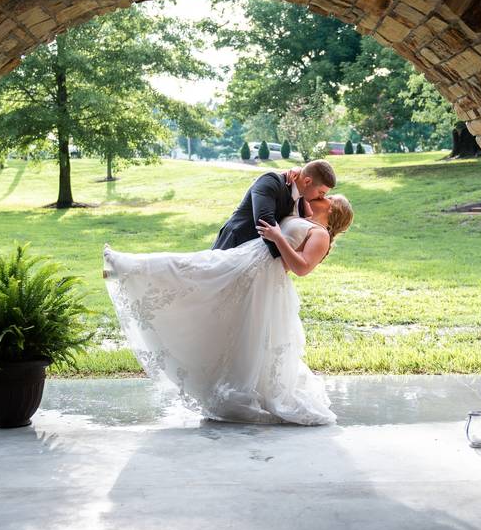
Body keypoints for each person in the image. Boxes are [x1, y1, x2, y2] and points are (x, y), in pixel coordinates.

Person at [103, 192, 354, 425]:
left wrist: (277, 237)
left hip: (261, 278)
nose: (322, 196)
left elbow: (301, 268)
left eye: (327, 197)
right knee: (196, 270)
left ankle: (125, 267)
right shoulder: (302, 215)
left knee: (195, 273)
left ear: (332, 209)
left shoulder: (320, 234)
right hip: (246, 259)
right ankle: (127, 271)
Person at [212, 160, 336, 258]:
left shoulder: (302, 199)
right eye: (321, 192)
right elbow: (264, 222)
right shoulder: (271, 181)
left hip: (255, 257)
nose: (321, 197)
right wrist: (282, 259)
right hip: (235, 243)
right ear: (307, 181)